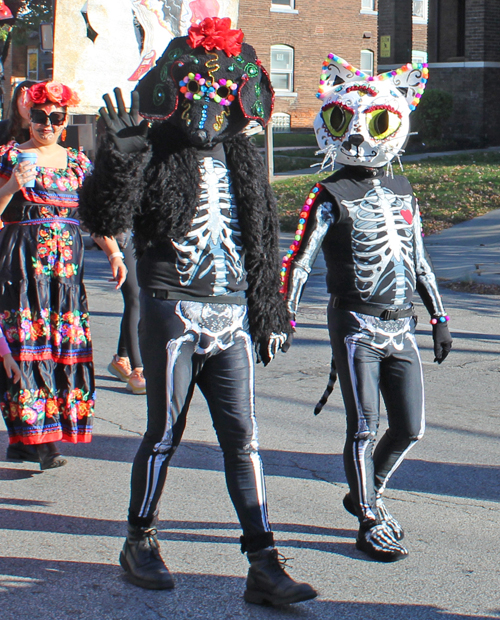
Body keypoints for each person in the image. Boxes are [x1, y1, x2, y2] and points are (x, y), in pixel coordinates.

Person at [79, 18, 316, 606]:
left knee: (245, 440)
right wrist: (120, 157)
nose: (210, 104)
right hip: (171, 306)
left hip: (232, 313)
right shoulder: (155, 148)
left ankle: (263, 562)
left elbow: (262, 239)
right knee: (164, 432)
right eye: (198, 91)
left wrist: (270, 315)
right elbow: (106, 219)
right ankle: (139, 540)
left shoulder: (243, 158)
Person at [282, 54, 453, 562]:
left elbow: (419, 260)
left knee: (410, 427)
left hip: (401, 325)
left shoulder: (404, 189)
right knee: (362, 426)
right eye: (345, 122)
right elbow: (300, 259)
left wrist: (440, 318)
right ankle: (369, 519)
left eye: (374, 123)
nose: (358, 136)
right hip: (355, 321)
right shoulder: (330, 192)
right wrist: (283, 316)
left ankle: (365, 490)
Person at [0, 80, 126, 470]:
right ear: (29, 118)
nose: (47, 124)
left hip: (65, 272)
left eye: (56, 117)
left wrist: (114, 252)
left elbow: (92, 216)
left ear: (66, 120)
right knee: (26, 348)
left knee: (60, 348)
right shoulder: (9, 156)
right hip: (22, 267)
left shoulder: (78, 162)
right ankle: (42, 442)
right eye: (40, 117)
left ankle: (26, 440)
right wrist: (10, 185)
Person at [94, 231, 145, 394]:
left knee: (143, 296)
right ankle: (139, 370)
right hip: (124, 232)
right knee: (135, 297)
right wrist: (114, 255)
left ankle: (121, 359)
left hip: (151, 229)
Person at [0, 80, 37, 146]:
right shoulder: (2, 129)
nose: (29, 106)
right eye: (25, 101)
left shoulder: (45, 131)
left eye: (34, 101)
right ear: (16, 103)